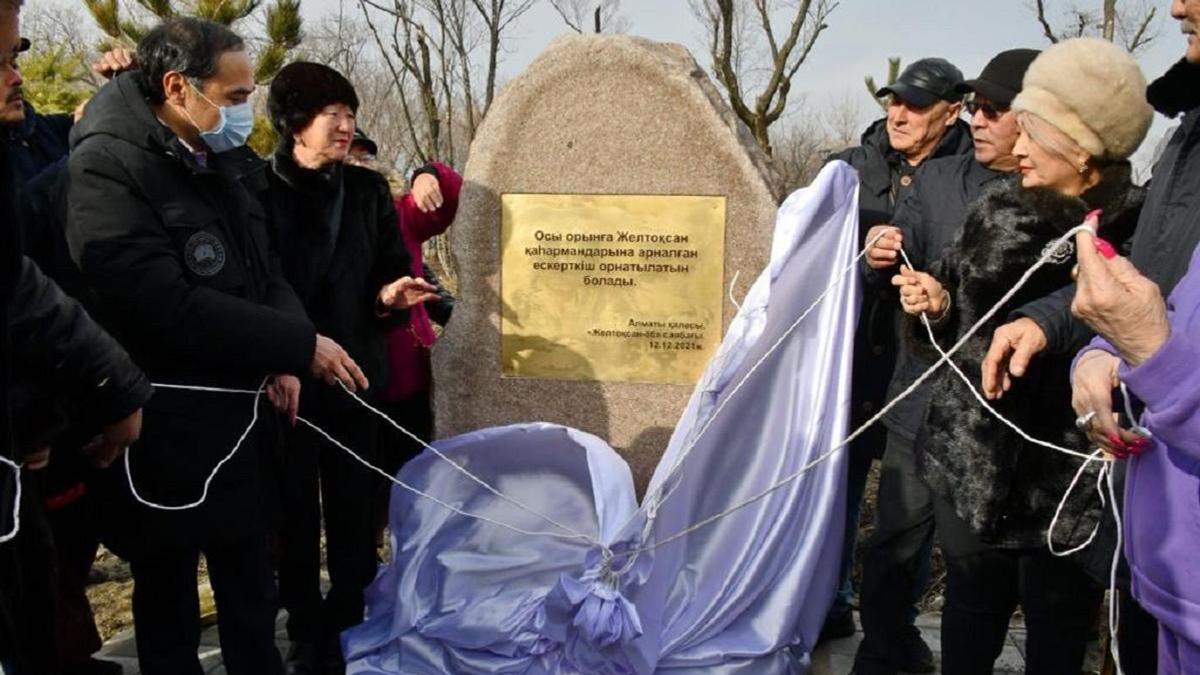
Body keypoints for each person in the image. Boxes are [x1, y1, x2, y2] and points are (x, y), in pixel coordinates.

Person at [64, 19, 370, 675]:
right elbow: (164, 304)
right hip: (163, 427)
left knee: (251, 596)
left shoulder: (223, 158)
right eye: (233, 99)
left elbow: (267, 271)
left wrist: (285, 354)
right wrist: (299, 343)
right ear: (177, 87)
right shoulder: (107, 167)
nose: (244, 114)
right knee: (170, 603)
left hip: (244, 423)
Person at [891, 37, 1151, 673]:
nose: (1018, 147)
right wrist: (936, 297)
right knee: (970, 613)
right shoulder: (996, 205)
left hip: (1064, 477)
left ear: (1083, 150)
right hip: (971, 456)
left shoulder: (1133, 223)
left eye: (1031, 133)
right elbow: (958, 292)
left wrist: (1045, 326)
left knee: (1057, 630)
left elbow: (1124, 316)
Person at [849, 48, 1039, 675]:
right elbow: (903, 255)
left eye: (994, 110)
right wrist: (886, 258)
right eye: (977, 108)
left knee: (975, 570)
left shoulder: (1050, 197)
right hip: (916, 399)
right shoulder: (936, 180)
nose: (981, 122)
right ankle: (882, 655)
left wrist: (950, 301)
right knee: (893, 548)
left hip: (993, 420)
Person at [257, 61, 439, 675]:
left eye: (350, 114)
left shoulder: (364, 193)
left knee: (356, 510)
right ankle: (306, 628)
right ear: (293, 124)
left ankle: (352, 615)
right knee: (295, 514)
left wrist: (391, 297)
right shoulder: (255, 192)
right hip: (286, 383)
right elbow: (255, 287)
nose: (344, 125)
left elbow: (387, 268)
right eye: (331, 114)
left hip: (358, 379)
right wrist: (282, 353)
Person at [1, 3, 149, 674]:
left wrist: (109, 105)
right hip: (45, 409)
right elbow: (21, 288)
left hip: (48, 411)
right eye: (3, 59)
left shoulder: (33, 133)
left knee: (55, 569)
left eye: (17, 55)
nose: (16, 74)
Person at [821, 56, 971, 651]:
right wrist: (858, 254)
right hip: (852, 362)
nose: (897, 113)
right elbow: (804, 257)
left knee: (913, 513)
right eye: (892, 100)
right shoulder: (845, 170)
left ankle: (896, 628)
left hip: (926, 368)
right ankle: (827, 605)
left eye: (914, 104)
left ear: (953, 111)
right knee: (838, 491)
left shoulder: (975, 175)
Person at [1070, 221, 1200, 675]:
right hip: (1172, 595)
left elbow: (1165, 354)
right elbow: (1181, 318)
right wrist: (1104, 351)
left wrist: (1150, 354)